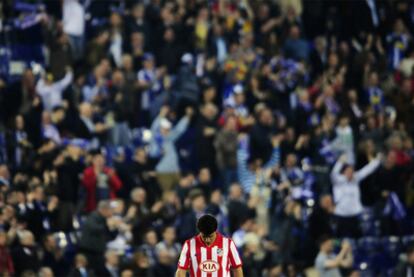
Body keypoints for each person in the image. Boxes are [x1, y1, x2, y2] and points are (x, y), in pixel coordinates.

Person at [330, 153, 382, 237]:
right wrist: (339, 162)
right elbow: (333, 174)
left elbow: (367, 170)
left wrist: (377, 160)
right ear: (344, 172)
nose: (350, 173)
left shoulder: (356, 178)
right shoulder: (338, 180)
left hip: (355, 214)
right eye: (348, 170)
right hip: (341, 214)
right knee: (340, 237)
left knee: (358, 238)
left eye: (352, 170)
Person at [176, 214, 243, 277]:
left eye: (210, 236)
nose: (207, 240)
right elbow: (181, 270)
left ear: (215, 231)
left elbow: (237, 268)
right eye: (204, 236)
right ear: (200, 232)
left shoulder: (228, 243)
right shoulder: (189, 245)